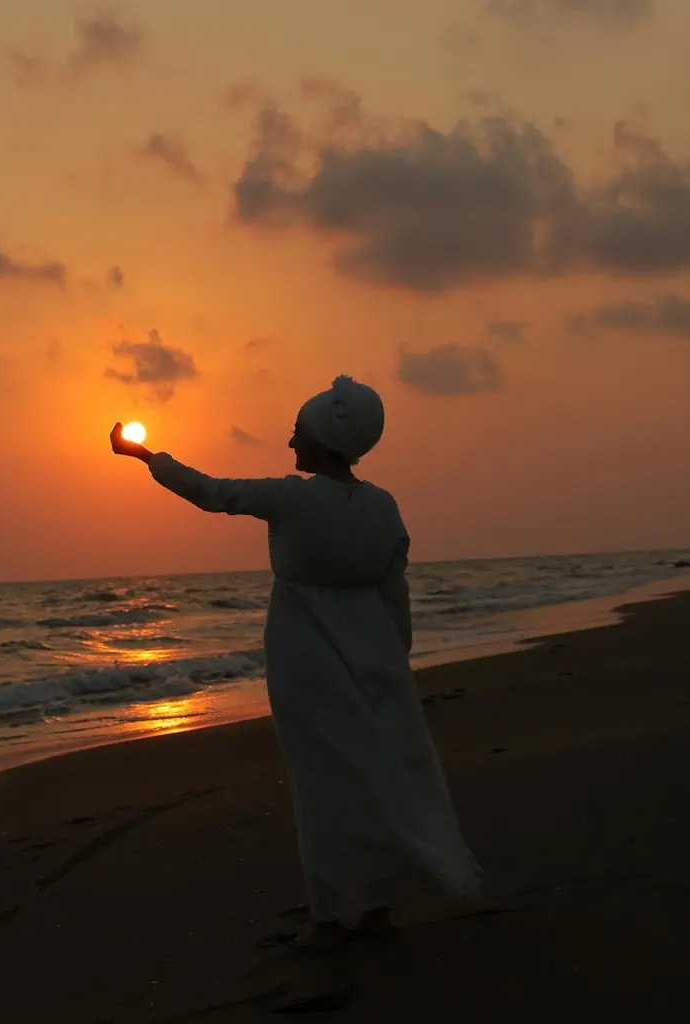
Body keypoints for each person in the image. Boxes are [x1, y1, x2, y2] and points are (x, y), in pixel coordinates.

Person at [109, 375, 482, 948]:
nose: (289, 445)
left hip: (304, 649)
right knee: (374, 772)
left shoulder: (294, 497)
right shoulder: (383, 506)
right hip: (375, 650)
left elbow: (212, 491)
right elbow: (395, 590)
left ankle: (331, 917)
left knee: (321, 781)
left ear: (322, 440)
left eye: (296, 433)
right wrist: (393, 659)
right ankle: (376, 906)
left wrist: (144, 456)